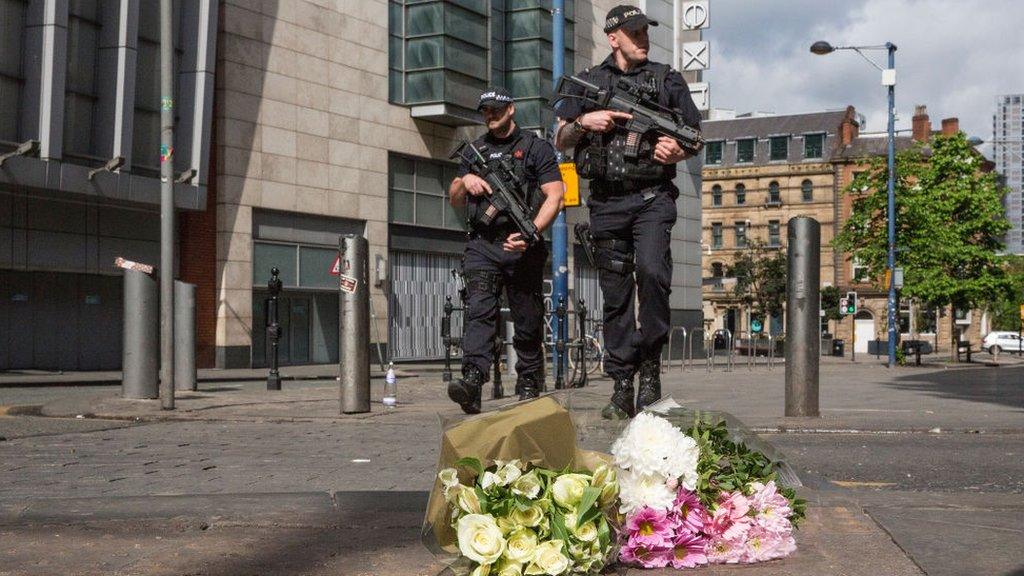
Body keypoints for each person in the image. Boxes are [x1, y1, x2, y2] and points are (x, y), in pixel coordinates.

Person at [553, 5, 701, 419]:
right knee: (615, 296)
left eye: (645, 31)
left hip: (653, 197)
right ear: (613, 37)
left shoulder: (667, 79)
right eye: (633, 32)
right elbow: (560, 137)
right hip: (606, 203)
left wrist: (677, 148)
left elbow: (694, 138)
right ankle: (622, 383)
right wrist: (585, 121)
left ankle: (649, 368)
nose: (643, 37)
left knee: (653, 274)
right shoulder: (588, 82)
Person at [447, 87, 564, 414]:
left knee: (527, 318)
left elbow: (555, 195)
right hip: (483, 245)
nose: (489, 115)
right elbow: (454, 197)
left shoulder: (535, 148)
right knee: (479, 310)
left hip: (523, 245)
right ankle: (472, 379)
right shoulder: (474, 152)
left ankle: (529, 378)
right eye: (484, 110)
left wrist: (533, 233)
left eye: (495, 109)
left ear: (511, 109)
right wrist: (465, 180)